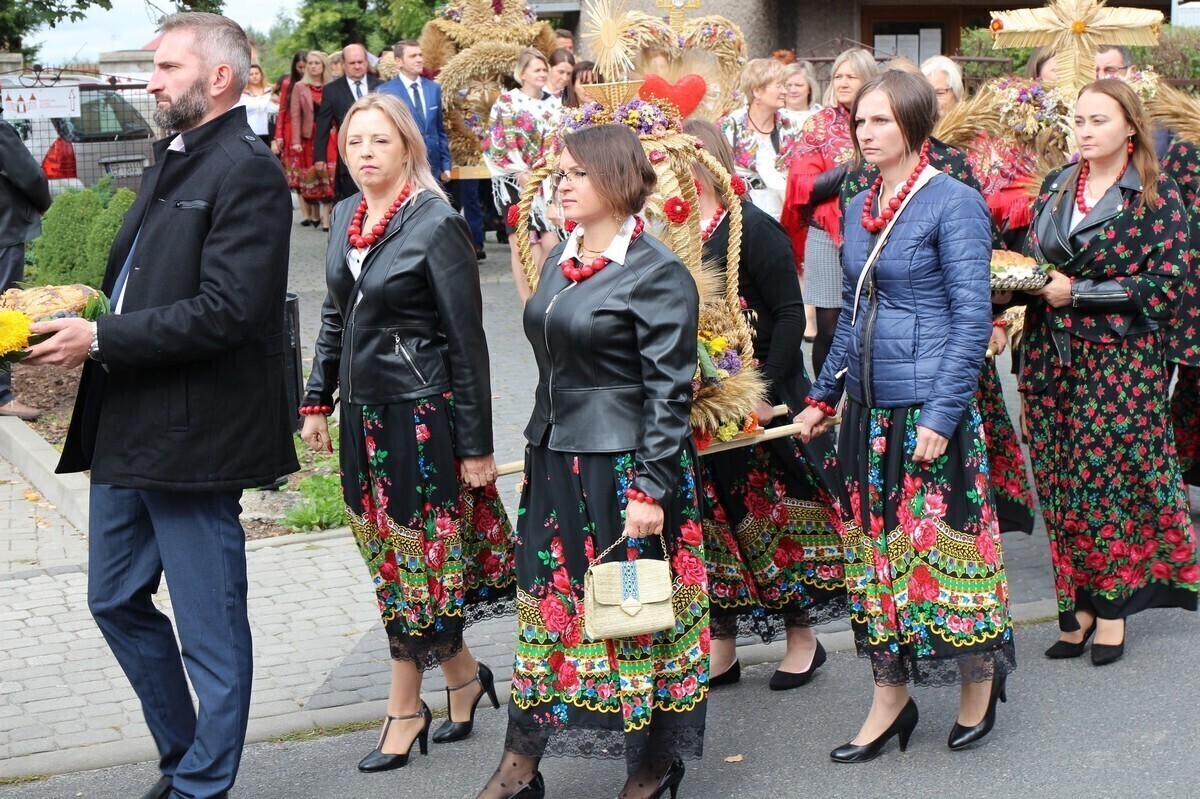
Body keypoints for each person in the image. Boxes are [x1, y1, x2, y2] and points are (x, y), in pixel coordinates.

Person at [23, 13, 296, 799]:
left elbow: (231, 310)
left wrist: (101, 336)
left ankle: (202, 784)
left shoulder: (247, 169)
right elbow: (149, 281)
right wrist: (87, 305)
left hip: (195, 434)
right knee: (112, 598)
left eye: (169, 67)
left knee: (211, 625)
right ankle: (183, 757)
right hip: (127, 421)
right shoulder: (173, 155)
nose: (152, 82)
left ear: (219, 76)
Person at [477, 124, 705, 799]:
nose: (563, 184)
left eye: (578, 172)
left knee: (631, 613)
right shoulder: (561, 256)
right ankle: (519, 768)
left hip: (624, 466)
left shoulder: (657, 271)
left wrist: (651, 487)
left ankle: (651, 766)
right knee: (550, 610)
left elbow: (669, 391)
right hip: (555, 459)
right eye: (562, 173)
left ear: (616, 178)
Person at [797, 70, 1016, 761]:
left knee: (948, 553)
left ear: (915, 125)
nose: (866, 132)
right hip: (868, 411)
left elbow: (972, 318)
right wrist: (823, 396)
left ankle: (978, 682)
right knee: (878, 560)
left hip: (927, 408)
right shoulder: (860, 202)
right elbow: (852, 312)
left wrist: (943, 416)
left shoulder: (954, 201)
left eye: (882, 120)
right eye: (860, 120)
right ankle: (891, 697)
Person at [301, 93, 515, 773]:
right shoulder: (345, 215)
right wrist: (316, 398)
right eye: (354, 142)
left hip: (420, 420)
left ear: (407, 148)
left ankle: (403, 707)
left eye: (380, 141)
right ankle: (464, 677)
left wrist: (476, 446)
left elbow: (468, 343)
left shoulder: (436, 222)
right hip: (361, 418)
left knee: (415, 568)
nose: (365, 153)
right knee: (390, 561)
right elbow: (336, 315)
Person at [1022, 79, 1199, 666]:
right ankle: (1075, 609)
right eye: (1079, 120)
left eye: (1099, 120)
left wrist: (1080, 293)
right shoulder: (1056, 184)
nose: (1085, 130)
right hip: (1049, 356)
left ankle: (1113, 609)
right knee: (1059, 484)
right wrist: (1010, 293)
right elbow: (1033, 262)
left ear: (1130, 127)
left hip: (1119, 363)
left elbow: (1169, 287)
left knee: (1105, 484)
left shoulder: (1156, 194)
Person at [683, 118, 847, 691]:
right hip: (703, 405)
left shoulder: (751, 227)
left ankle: (802, 637)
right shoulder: (670, 233)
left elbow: (789, 314)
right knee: (715, 522)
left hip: (764, 398)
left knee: (774, 518)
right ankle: (722, 642)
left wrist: (765, 392)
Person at [782, 47, 878, 381]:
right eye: (838, 76)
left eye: (852, 76)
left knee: (871, 324)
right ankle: (825, 399)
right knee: (829, 328)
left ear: (869, 79)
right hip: (826, 235)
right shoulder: (820, 123)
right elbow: (803, 187)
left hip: (877, 230)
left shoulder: (885, 119)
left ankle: (861, 397)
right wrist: (853, 167)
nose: (843, 82)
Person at [484, 48, 561, 302]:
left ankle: (544, 296)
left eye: (544, 69)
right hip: (513, 181)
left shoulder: (554, 102)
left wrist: (544, 172)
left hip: (545, 182)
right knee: (523, 244)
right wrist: (518, 171)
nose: (542, 74)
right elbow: (495, 143)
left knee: (550, 241)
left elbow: (558, 141)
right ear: (523, 74)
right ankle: (528, 302)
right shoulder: (507, 102)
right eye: (536, 69)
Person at [0, 111, 51, 421]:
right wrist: (43, 205)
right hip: (3, 232)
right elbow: (30, 177)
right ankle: (1, 396)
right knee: (4, 311)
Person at [719, 57, 801, 219]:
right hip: (740, 215)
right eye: (779, 86)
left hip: (781, 214)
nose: (785, 91)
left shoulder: (789, 127)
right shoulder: (730, 127)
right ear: (757, 91)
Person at [314, 43, 383, 201]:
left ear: (366, 62)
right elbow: (323, 126)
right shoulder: (331, 90)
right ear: (343, 64)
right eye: (352, 63)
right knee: (353, 203)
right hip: (349, 159)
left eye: (360, 62)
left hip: (379, 154)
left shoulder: (381, 86)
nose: (357, 66)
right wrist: (319, 157)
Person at [290, 50, 336, 230]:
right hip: (309, 136)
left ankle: (327, 217)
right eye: (310, 63)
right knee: (312, 175)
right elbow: (295, 115)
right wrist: (295, 141)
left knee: (329, 174)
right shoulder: (300, 87)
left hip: (330, 135)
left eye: (317, 63)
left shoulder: (333, 85)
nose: (313, 66)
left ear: (324, 65)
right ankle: (315, 212)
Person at [235, 63, 275, 144]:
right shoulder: (242, 95)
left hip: (270, 133)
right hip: (250, 132)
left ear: (261, 74)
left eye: (257, 73)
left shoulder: (271, 91)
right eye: (251, 74)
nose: (254, 76)